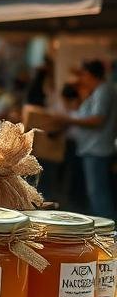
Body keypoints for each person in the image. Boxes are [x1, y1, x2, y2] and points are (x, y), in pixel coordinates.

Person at [50, 60, 117, 218]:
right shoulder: (97, 91)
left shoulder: (103, 91)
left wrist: (68, 120)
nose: (82, 79)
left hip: (97, 149)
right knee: (95, 194)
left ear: (90, 75)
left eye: (84, 75)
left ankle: (110, 234)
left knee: (98, 195)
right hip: (91, 148)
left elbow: (97, 119)